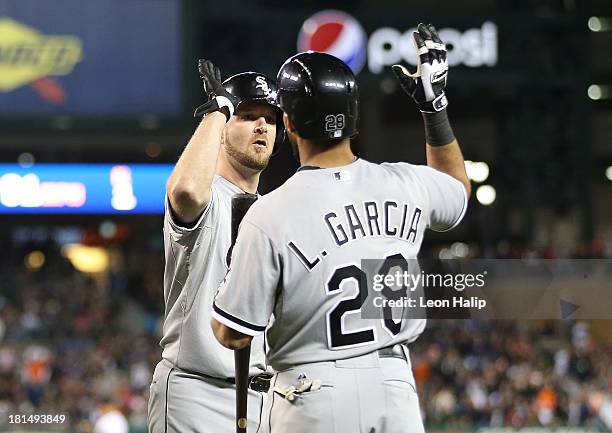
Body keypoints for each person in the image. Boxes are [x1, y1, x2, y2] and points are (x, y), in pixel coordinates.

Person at [211, 23, 471, 433]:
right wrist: (433, 108)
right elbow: (457, 190)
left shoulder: (270, 212)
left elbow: (232, 333)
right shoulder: (406, 183)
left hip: (313, 392)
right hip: (394, 388)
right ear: (353, 118)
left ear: (290, 125)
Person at [147, 60, 283, 433]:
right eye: (248, 115)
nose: (262, 126)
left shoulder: (277, 210)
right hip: (197, 394)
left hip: (267, 399)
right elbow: (185, 190)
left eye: (270, 120)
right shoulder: (208, 198)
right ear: (222, 130)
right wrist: (219, 110)